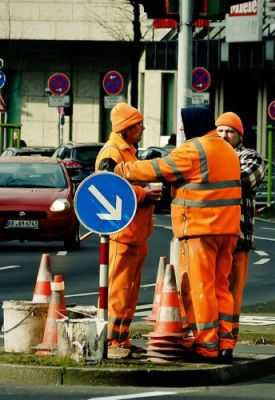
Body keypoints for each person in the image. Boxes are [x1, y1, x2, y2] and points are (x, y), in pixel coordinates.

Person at [100, 106, 241, 363]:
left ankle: (208, 345)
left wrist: (121, 170)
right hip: (228, 230)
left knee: (201, 288)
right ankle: (226, 343)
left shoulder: (195, 149)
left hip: (200, 229)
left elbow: (160, 169)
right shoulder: (227, 150)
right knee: (222, 287)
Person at [95, 102, 162, 359]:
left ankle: (121, 338)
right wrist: (144, 193)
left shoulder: (127, 152)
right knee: (119, 289)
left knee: (129, 290)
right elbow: (108, 187)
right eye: (138, 124)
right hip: (123, 233)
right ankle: (113, 340)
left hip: (135, 232)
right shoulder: (112, 153)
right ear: (125, 129)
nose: (143, 128)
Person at [215, 112, 265, 357]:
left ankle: (228, 341)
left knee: (233, 292)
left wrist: (211, 175)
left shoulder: (251, 157)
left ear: (239, 135)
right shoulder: (212, 155)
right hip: (212, 235)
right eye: (220, 131)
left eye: (229, 132)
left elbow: (243, 181)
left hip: (238, 237)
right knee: (212, 290)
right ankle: (211, 338)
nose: (224, 136)